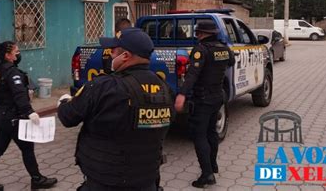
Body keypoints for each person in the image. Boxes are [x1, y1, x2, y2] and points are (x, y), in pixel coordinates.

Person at [57, 28, 173, 190]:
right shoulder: (164, 88)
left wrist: (63, 103)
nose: (110, 54)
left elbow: (68, 117)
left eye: (113, 51)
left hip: (106, 181)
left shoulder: (103, 86)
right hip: (147, 180)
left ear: (125, 56)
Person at [0, 41, 57, 191]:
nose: (18, 54)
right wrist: (29, 112)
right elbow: (19, 94)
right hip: (13, 117)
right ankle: (37, 179)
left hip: (1, 114)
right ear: (8, 55)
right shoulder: (13, 73)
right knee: (27, 148)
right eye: (16, 52)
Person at [174, 20, 235, 188]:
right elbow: (231, 62)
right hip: (218, 97)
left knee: (199, 135)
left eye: (198, 33)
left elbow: (192, 75)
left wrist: (181, 94)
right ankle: (213, 165)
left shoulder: (200, 50)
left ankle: (207, 174)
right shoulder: (223, 47)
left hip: (202, 99)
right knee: (211, 132)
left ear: (201, 33)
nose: (197, 36)